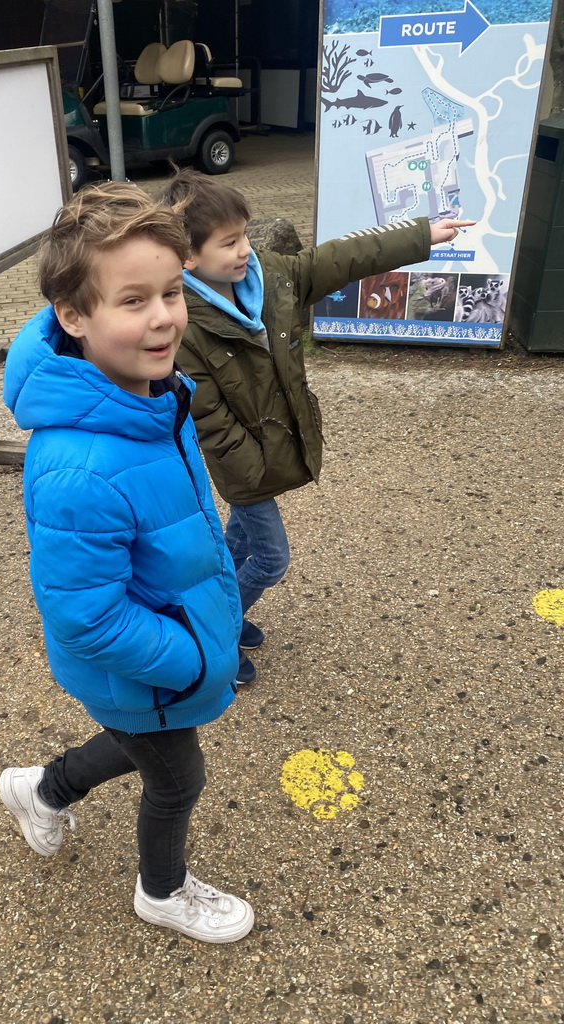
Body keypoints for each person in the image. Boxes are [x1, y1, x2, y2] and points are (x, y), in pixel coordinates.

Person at [0, 182, 254, 944]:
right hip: (147, 665)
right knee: (178, 778)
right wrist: (192, 661)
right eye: (134, 300)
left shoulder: (147, 393)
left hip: (153, 664)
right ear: (73, 317)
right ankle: (162, 891)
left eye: (171, 292)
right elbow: (85, 614)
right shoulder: (80, 466)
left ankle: (41, 791)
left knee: (143, 745)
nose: (164, 317)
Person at [156, 168, 475, 684]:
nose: (244, 250)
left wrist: (420, 235)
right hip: (245, 467)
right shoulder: (184, 321)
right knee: (272, 560)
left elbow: (340, 259)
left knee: (235, 545)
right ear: (188, 257)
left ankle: (209, 610)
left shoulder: (270, 276)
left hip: (267, 454)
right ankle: (216, 632)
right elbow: (207, 418)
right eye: (230, 242)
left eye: (244, 235)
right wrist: (255, 469)